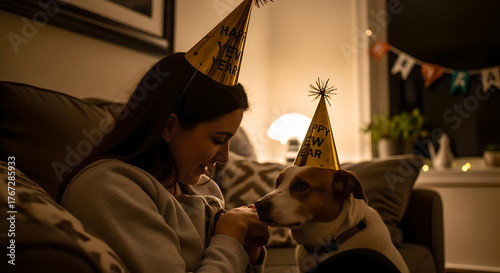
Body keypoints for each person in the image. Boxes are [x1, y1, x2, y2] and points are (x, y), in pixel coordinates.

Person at [59, 52, 269, 273]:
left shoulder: (205, 187)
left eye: (229, 141)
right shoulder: (108, 187)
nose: (225, 157)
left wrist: (246, 252)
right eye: (218, 140)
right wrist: (229, 238)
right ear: (169, 127)